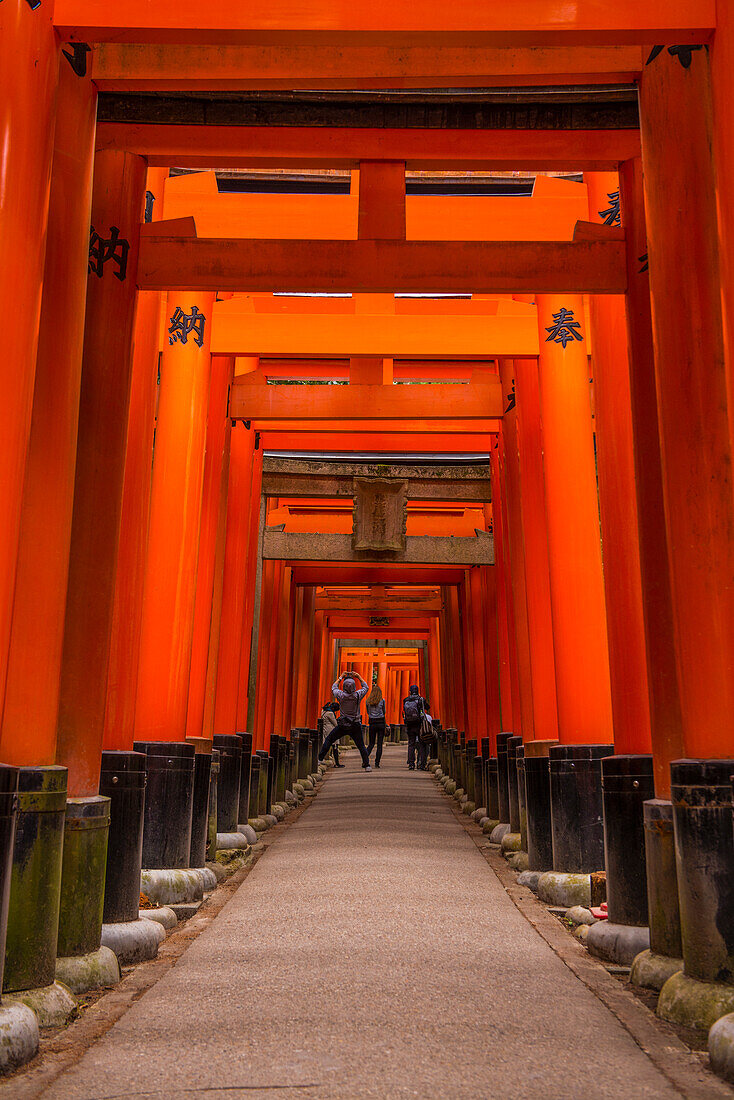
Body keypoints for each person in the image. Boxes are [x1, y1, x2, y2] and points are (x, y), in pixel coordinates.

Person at [318, 671, 372, 770]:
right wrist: (358, 677)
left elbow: (333, 687)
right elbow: (366, 687)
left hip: (343, 725)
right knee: (361, 745)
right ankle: (367, 765)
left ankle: (320, 759)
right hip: (355, 724)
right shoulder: (357, 696)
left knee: (329, 739)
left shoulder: (341, 695)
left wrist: (340, 677)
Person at [402, 684, 426, 771]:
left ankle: (411, 764)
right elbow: (427, 707)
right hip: (419, 724)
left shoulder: (405, 700)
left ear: (410, 692)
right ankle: (422, 764)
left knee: (411, 744)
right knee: (422, 744)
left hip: (409, 724)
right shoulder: (421, 699)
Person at [365, 682, 386, 768]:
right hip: (381, 723)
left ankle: (365, 760)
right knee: (379, 744)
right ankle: (377, 763)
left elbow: (367, 712)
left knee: (371, 743)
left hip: (372, 723)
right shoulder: (382, 701)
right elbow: (384, 712)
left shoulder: (368, 702)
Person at [320, 701, 344, 767]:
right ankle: (337, 763)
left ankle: (321, 759)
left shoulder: (324, 711)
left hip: (325, 730)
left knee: (326, 746)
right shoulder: (330, 713)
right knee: (335, 747)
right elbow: (335, 723)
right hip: (331, 731)